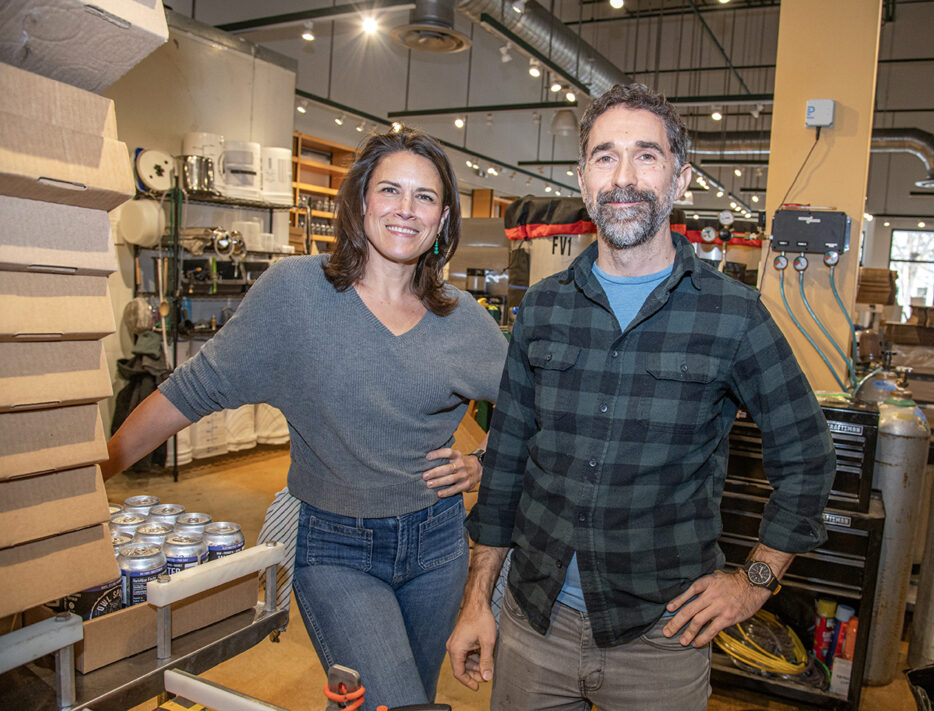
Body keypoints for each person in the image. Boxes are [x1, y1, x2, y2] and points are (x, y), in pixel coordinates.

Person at [446, 83, 836, 710]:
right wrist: (476, 599)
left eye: (646, 156)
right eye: (605, 157)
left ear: (680, 179)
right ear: (583, 179)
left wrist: (755, 582)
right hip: (533, 622)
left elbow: (808, 456)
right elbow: (507, 461)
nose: (623, 177)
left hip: (663, 638)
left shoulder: (733, 316)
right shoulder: (542, 309)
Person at [102, 129, 509, 710]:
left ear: (442, 218)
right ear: (361, 200)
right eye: (390, 190)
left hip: (438, 547)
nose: (405, 208)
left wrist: (481, 463)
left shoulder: (461, 319)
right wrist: (93, 476)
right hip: (337, 548)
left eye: (425, 197)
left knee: (411, 697)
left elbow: (532, 410)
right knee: (392, 701)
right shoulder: (296, 294)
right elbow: (194, 389)